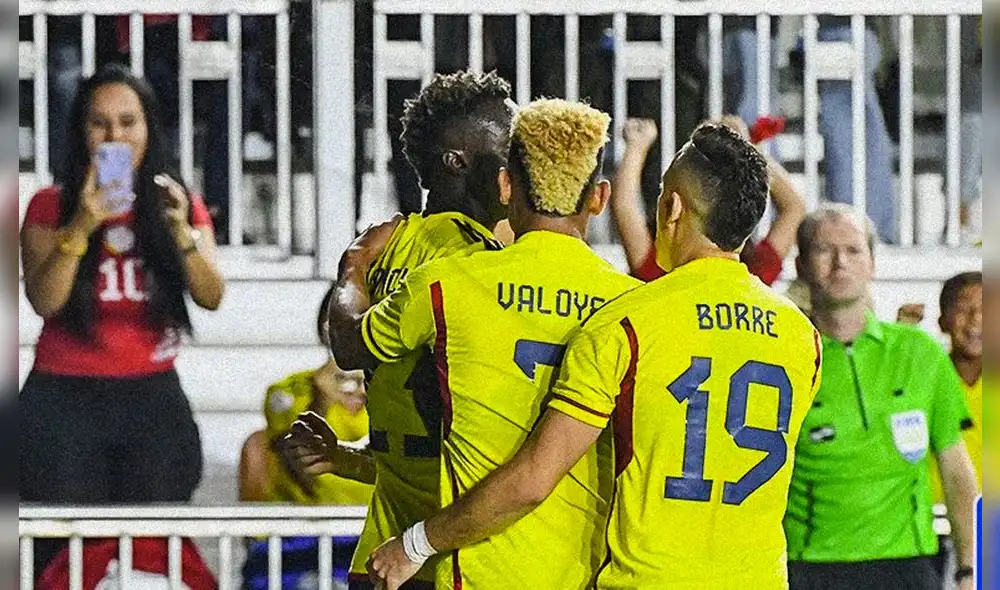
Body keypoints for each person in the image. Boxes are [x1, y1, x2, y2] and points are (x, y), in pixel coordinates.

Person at [361, 121, 819, 590]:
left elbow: (534, 479)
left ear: (671, 208)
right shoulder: (802, 336)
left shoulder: (628, 323)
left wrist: (414, 544)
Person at [316, 98, 638, 590]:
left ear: (508, 185)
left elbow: (353, 348)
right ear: (599, 198)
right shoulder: (634, 306)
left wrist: (355, 263)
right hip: (573, 566)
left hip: (444, 557)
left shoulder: (448, 282)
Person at [278, 69, 515, 590]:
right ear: (459, 161)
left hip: (382, 556)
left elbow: (414, 451)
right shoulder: (496, 264)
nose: (517, 160)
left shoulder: (383, 251)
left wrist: (352, 266)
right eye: (507, 145)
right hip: (464, 554)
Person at [19, 63, 225, 573]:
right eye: (99, 123)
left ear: (149, 128)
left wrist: (182, 231)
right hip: (64, 397)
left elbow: (211, 295)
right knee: (62, 552)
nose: (115, 135)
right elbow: (45, 300)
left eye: (128, 121)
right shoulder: (49, 204)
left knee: (155, 548)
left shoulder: (176, 202)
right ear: (80, 132)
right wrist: (84, 222)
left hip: (151, 395)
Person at [784, 203, 979, 590]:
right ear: (802, 265)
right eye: (825, 250)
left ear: (872, 263)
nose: (841, 262)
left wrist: (968, 568)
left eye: (854, 250)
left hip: (907, 565)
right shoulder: (785, 357)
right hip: (808, 567)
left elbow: (956, 470)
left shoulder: (920, 352)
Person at [238, 288, 371, 590]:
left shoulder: (405, 393)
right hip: (298, 539)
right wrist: (321, 402)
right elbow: (304, 466)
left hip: (376, 536)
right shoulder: (288, 392)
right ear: (325, 327)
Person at [612, 116, 805, 286]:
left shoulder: (659, 269)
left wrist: (637, 146)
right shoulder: (754, 273)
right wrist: (743, 149)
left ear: (674, 207)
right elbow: (794, 208)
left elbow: (624, 206)